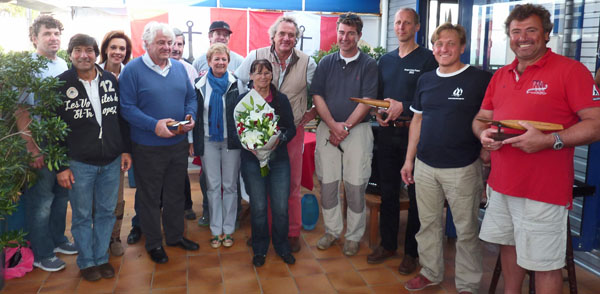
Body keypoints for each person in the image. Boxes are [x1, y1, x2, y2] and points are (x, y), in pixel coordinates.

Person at [473, 4, 600, 294]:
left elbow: (596, 124)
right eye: (516, 32)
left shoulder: (571, 71)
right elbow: (481, 119)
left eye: (531, 30)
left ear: (546, 34)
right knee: (509, 248)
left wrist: (548, 141)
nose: (523, 37)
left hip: (544, 190)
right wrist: (483, 135)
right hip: (502, 185)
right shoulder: (502, 75)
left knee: (545, 264)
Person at [400, 23, 491, 293]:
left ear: (462, 47)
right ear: (433, 47)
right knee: (427, 225)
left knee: (466, 231)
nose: (444, 49)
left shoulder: (479, 79)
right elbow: (417, 120)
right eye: (439, 44)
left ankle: (468, 285)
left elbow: (491, 116)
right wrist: (409, 161)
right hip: (426, 166)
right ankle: (430, 272)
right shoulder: (426, 80)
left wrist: (488, 149)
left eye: (451, 43)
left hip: (462, 168)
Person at [235, 15, 317, 252]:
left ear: (296, 39)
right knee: (261, 184)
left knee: (290, 183)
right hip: (257, 131)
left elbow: (320, 91)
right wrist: (244, 115)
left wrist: (311, 113)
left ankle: (291, 232)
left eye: (291, 35)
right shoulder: (256, 55)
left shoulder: (307, 62)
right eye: (282, 33)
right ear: (273, 36)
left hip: (291, 132)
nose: (286, 38)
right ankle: (264, 231)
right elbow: (239, 82)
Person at [119, 21, 198, 264]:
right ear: (146, 44)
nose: (167, 47)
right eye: (161, 42)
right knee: (150, 197)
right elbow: (126, 108)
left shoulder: (178, 68)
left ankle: (175, 236)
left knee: (175, 194)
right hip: (147, 146)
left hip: (177, 144)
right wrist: (154, 126)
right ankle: (154, 243)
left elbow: (191, 96)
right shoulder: (132, 70)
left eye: (170, 42)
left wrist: (189, 116)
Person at [55, 34, 132, 281]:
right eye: (77, 50)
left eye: (88, 50)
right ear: (70, 54)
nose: (83, 55)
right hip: (79, 163)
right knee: (81, 216)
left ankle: (101, 258)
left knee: (107, 212)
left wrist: (125, 149)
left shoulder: (110, 80)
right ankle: (87, 262)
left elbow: (121, 118)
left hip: (111, 161)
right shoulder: (59, 85)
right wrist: (61, 166)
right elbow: (52, 129)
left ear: (96, 54)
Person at [367, 8, 437, 274]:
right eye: (397, 22)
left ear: (417, 26)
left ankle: (411, 252)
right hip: (387, 133)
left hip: (415, 135)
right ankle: (388, 245)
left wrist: (403, 106)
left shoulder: (428, 60)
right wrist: (379, 112)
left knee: (417, 195)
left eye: (407, 22)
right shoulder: (385, 60)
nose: (401, 26)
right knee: (387, 191)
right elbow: (378, 98)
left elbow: (430, 99)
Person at [310, 13, 378, 256]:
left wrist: (345, 127)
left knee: (355, 185)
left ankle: (353, 236)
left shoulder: (369, 65)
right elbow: (317, 96)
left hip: (357, 132)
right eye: (341, 32)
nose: (345, 37)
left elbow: (368, 101)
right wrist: (333, 125)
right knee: (328, 184)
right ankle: (331, 230)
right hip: (327, 130)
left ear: (359, 36)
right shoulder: (326, 62)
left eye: (351, 33)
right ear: (336, 33)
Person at [16, 15, 77, 272]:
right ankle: (42, 253)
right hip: (39, 142)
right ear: (34, 38)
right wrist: (32, 148)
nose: (53, 38)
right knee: (41, 200)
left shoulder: (62, 62)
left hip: (60, 141)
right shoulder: (28, 67)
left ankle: (58, 240)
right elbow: (21, 110)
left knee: (61, 196)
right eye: (47, 34)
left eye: (56, 33)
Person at [240, 59, 297, 267]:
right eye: (258, 72)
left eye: (267, 72)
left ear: (272, 75)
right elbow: (237, 131)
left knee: (281, 207)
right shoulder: (243, 100)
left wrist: (279, 139)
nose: (263, 76)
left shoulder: (280, 100)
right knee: (259, 207)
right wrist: (250, 145)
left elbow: (291, 128)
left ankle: (282, 247)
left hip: (278, 159)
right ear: (251, 76)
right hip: (252, 161)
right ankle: (260, 248)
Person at [193, 20, 244, 227]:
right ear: (208, 61)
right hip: (208, 140)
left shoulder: (237, 79)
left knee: (230, 184)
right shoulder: (199, 82)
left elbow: (243, 109)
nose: (220, 62)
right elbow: (194, 112)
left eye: (224, 59)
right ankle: (215, 225)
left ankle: (230, 224)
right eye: (216, 59)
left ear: (228, 60)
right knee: (212, 185)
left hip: (231, 141)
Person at [98, 30, 132, 257]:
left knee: (117, 197)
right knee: (95, 200)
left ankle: (114, 237)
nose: (118, 52)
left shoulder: (129, 76)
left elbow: (127, 117)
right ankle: (97, 239)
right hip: (94, 146)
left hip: (119, 146)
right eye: (114, 48)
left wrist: (126, 149)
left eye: (122, 48)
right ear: (105, 49)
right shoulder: (93, 73)